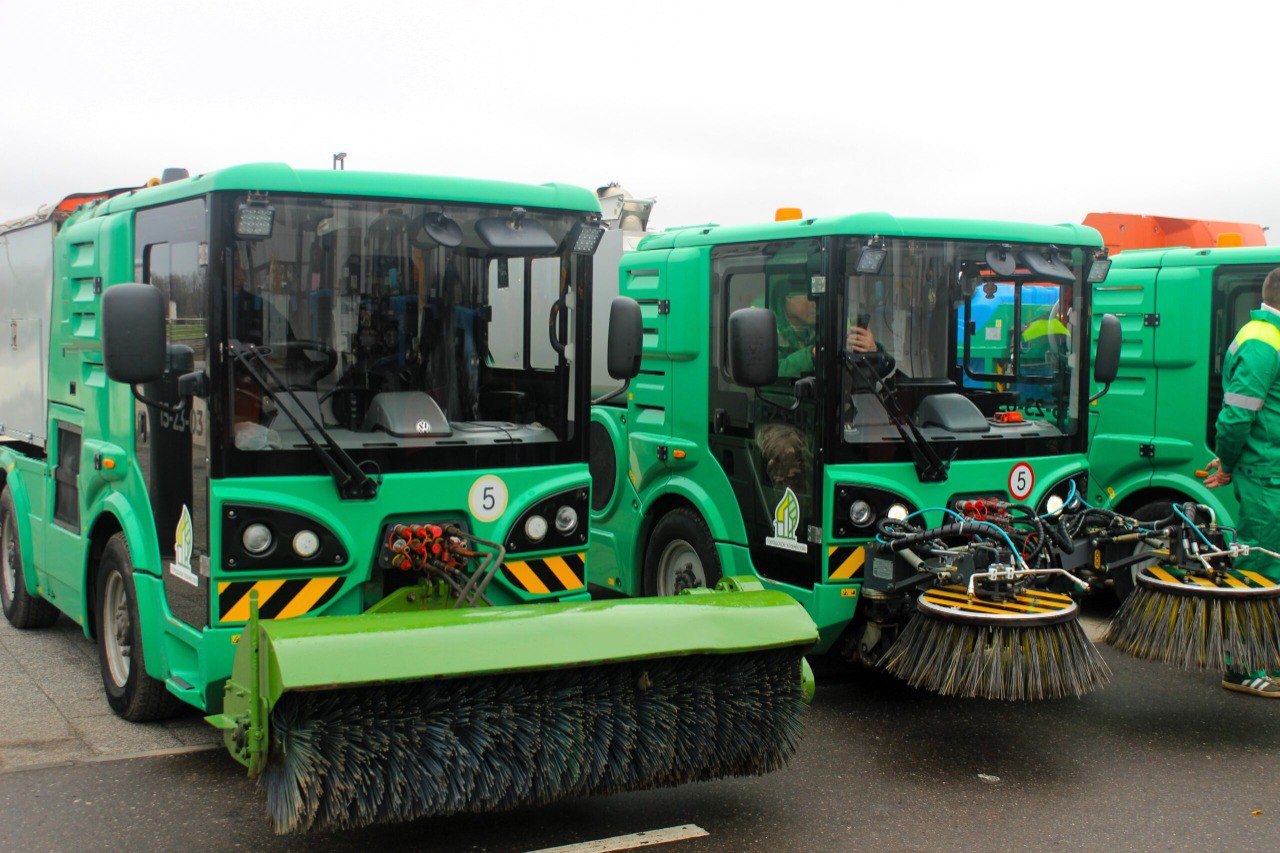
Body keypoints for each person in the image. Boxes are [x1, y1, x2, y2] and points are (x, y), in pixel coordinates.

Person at [1204, 266, 1280, 698]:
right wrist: (1229, 462)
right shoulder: (1262, 342)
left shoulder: (1263, 337)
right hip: (1265, 478)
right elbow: (1236, 417)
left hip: (1270, 471)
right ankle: (1241, 666)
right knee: (1259, 570)